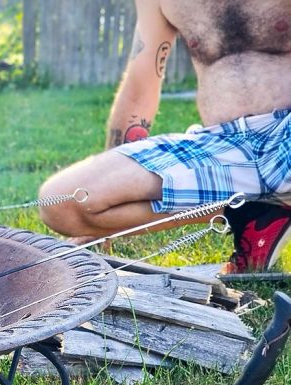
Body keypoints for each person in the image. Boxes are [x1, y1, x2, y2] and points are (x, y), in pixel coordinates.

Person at [38, 0, 291, 273]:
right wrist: (109, 213)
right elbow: (140, 86)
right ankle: (251, 212)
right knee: (64, 202)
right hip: (223, 144)